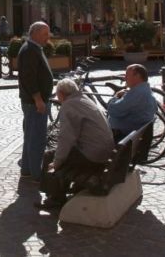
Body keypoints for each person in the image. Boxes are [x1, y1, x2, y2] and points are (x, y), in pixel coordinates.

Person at [38, 78, 114, 211]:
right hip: (104, 151)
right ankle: (56, 193)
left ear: (61, 94)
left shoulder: (68, 105)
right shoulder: (84, 99)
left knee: (50, 156)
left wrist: (57, 162)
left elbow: (66, 138)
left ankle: (55, 198)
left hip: (92, 155)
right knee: (60, 154)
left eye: (57, 94)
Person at [18, 21, 54, 183]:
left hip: (34, 101)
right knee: (37, 138)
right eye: (45, 34)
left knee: (31, 137)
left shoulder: (34, 48)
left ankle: (27, 170)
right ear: (35, 33)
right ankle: (36, 174)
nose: (48, 37)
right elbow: (29, 78)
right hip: (34, 103)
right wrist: (38, 99)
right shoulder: (29, 50)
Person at [105, 64, 156, 142]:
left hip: (123, 136)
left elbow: (113, 110)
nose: (125, 78)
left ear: (137, 76)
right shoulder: (145, 89)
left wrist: (116, 96)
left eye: (127, 75)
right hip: (134, 132)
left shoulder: (137, 93)